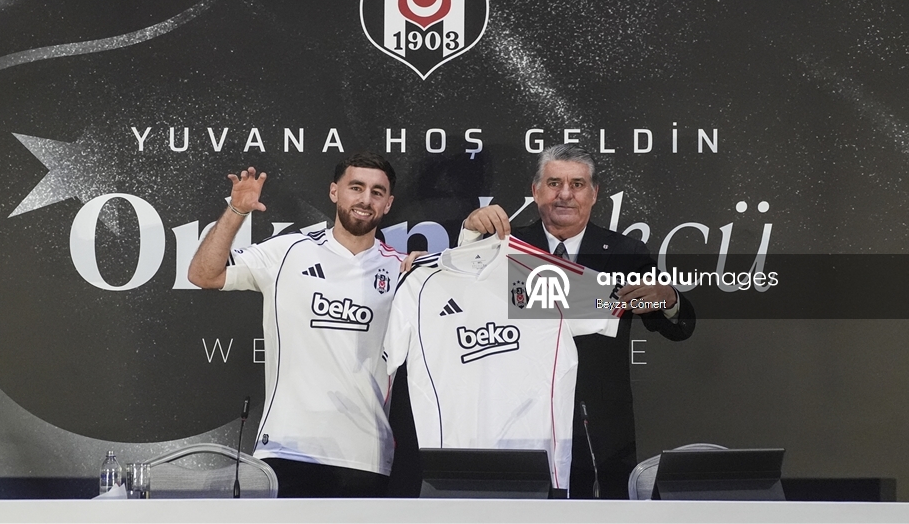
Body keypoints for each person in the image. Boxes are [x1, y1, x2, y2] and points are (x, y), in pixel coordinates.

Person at [459, 144, 696, 499]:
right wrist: (469, 234)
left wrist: (670, 299)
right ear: (535, 190)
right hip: (517, 422)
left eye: (577, 184)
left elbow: (679, 328)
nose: (565, 194)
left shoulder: (625, 253)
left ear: (594, 193)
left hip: (599, 431)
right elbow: (461, 295)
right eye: (554, 183)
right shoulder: (505, 247)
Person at [188, 152, 406, 497]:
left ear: (388, 203)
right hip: (286, 449)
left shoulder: (403, 271)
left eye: (377, 192)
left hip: (366, 457)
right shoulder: (288, 251)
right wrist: (237, 211)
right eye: (356, 187)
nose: (366, 199)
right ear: (334, 192)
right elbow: (203, 274)